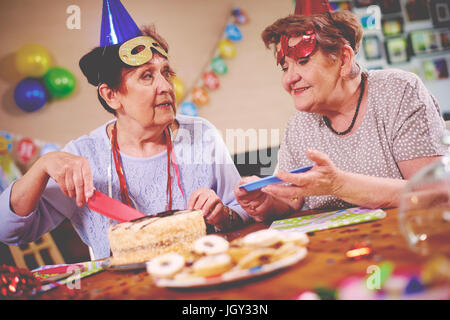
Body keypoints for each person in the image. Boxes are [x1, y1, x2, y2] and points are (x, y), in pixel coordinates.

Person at [0, 0, 250, 260]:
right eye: (147, 76)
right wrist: (42, 166)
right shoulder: (83, 155)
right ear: (111, 96)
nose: (166, 86)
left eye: (166, 72)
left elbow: (243, 211)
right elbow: (8, 231)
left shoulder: (201, 134)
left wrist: (222, 214)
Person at [234, 0, 447, 222]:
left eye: (303, 61)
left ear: (343, 60)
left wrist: (339, 185)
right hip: (329, 249)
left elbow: (435, 193)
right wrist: (265, 202)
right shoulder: (298, 125)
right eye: (285, 67)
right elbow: (291, 200)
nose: (289, 78)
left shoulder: (398, 91)